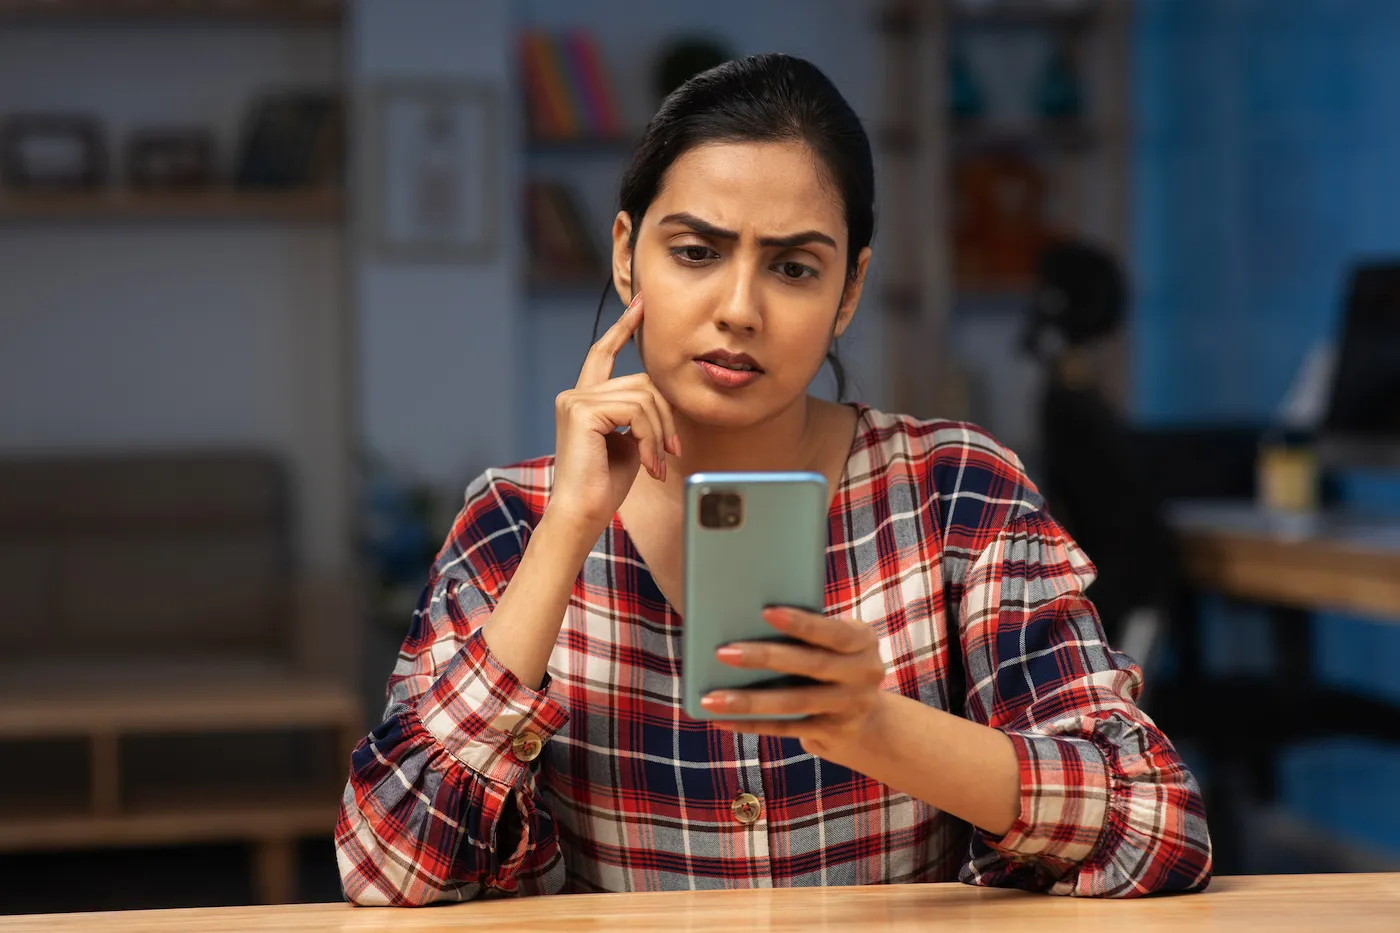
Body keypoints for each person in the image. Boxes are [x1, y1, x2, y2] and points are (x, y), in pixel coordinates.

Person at [335, 53, 1212, 905]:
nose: (740, 309)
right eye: (695, 252)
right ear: (627, 254)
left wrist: (875, 726)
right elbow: (388, 866)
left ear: (849, 290)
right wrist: (567, 530)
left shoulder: (955, 490)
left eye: (793, 267)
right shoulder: (513, 521)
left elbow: (1157, 824)